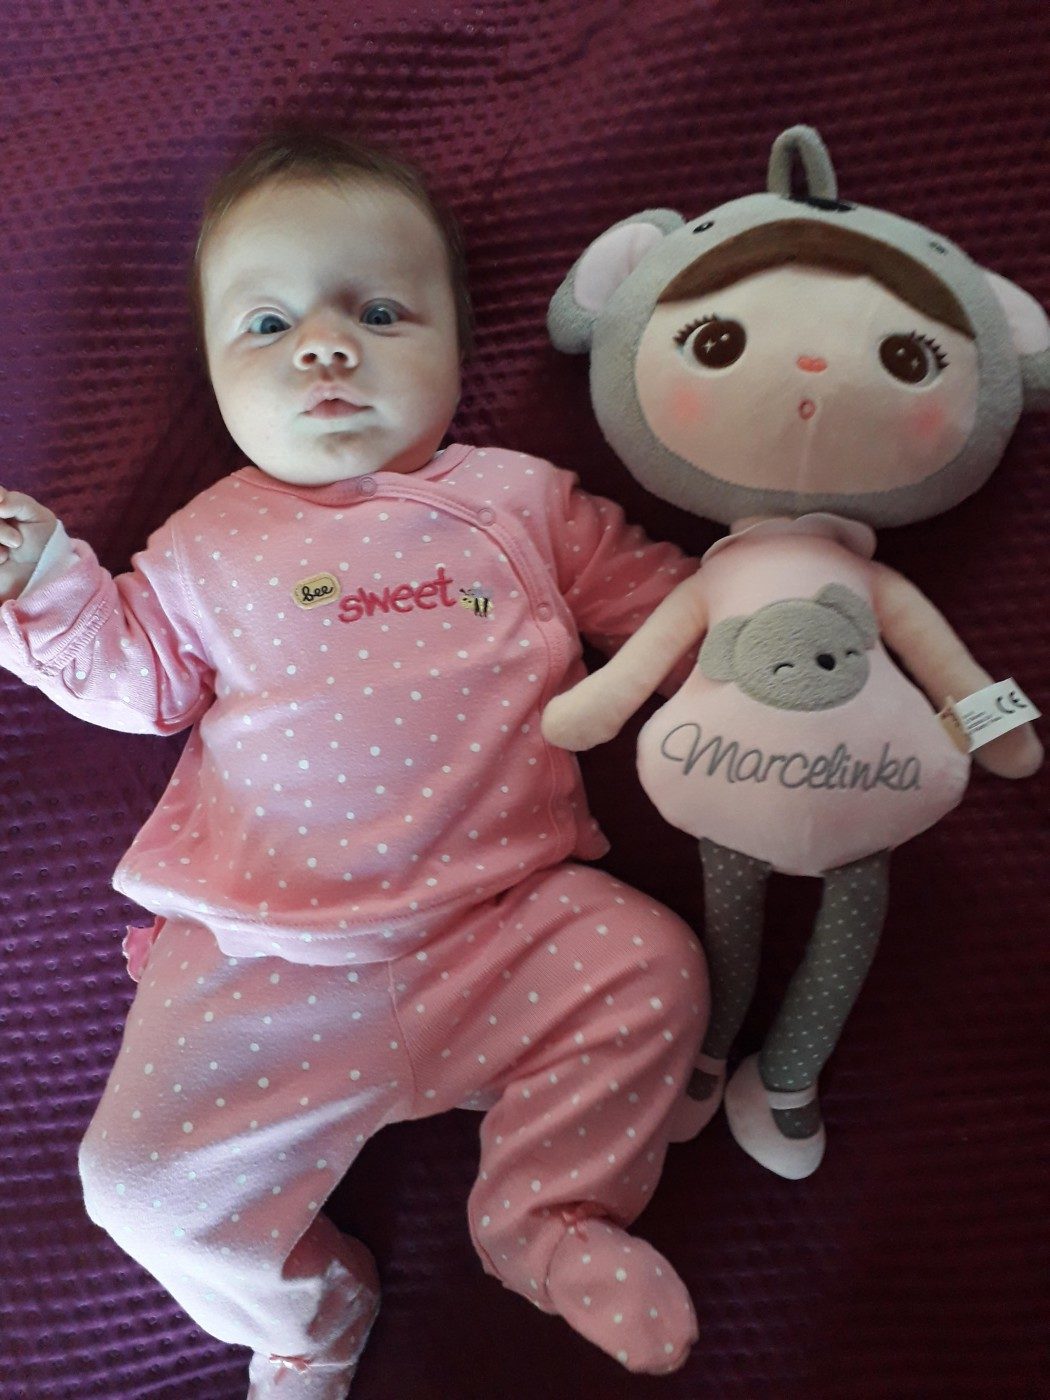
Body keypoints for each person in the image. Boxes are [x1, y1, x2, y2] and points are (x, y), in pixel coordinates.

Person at [0, 131, 708, 1398]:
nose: (325, 348)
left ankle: (543, 1215)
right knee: (133, 1185)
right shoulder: (207, 543)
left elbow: (669, 615)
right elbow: (137, 683)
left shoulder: (524, 502)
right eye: (268, 324)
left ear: (457, 345)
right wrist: (48, 582)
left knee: (654, 963)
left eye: (379, 313)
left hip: (502, 925)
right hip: (263, 961)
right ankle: (307, 1314)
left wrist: (773, 640)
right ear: (215, 372)